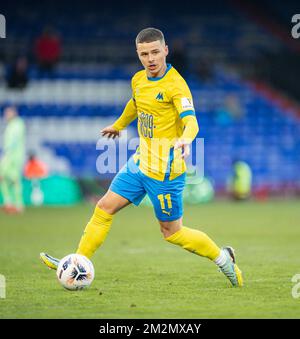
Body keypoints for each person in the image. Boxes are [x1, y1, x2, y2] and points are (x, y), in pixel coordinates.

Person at [40, 28, 243, 287]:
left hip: (166, 172)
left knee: (172, 233)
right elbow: (135, 104)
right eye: (144, 54)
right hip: (140, 162)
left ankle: (224, 259)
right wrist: (119, 125)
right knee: (103, 207)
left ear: (166, 50)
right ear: (138, 54)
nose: (151, 58)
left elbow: (191, 121)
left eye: (156, 52)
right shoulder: (138, 80)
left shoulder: (176, 85)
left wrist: (186, 138)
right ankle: (77, 263)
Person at [0, 106, 26, 213]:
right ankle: (10, 203)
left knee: (13, 180)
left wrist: (8, 154)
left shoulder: (18, 124)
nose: (6, 115)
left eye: (8, 113)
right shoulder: (11, 125)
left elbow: (15, 140)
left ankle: (17, 204)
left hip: (13, 157)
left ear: (13, 113)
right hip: (9, 155)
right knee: (6, 179)